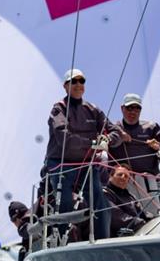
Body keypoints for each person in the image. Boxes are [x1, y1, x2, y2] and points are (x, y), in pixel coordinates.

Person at [44, 68, 121, 240]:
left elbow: (115, 131)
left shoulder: (93, 109)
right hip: (61, 164)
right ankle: (62, 241)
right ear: (65, 86)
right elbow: (65, 138)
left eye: (81, 81)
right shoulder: (59, 109)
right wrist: (93, 143)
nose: (78, 85)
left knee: (100, 202)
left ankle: (102, 241)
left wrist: (108, 140)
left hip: (86, 165)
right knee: (65, 203)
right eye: (74, 81)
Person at [113, 93, 160, 176]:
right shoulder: (113, 128)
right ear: (122, 108)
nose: (133, 112)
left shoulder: (152, 128)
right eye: (129, 108)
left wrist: (159, 146)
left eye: (137, 108)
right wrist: (119, 138)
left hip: (148, 178)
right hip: (120, 178)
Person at [103, 163, 150, 237]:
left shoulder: (130, 196)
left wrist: (153, 219)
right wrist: (142, 223)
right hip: (117, 238)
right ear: (111, 176)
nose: (123, 177)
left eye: (126, 176)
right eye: (120, 174)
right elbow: (117, 217)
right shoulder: (105, 194)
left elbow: (143, 214)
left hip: (138, 232)